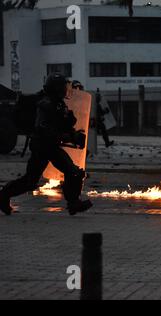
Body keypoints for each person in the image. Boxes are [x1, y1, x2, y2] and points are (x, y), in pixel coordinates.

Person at [0, 74, 93, 216]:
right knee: (32, 181)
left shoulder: (58, 104)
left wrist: (74, 132)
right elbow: (44, 130)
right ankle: (3, 195)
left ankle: (73, 202)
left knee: (71, 172)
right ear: (56, 89)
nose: (65, 90)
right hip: (43, 147)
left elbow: (64, 124)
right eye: (62, 88)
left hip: (50, 147)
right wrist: (69, 136)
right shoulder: (46, 105)